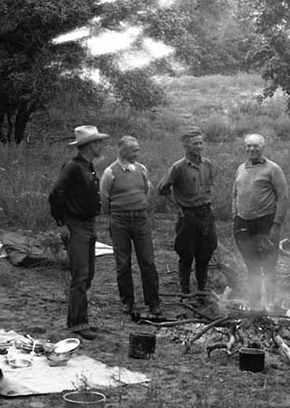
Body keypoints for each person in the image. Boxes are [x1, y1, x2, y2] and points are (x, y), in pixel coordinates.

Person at [48, 125, 109, 340]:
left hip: (88, 224)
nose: (101, 145)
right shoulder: (73, 167)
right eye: (98, 142)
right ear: (89, 145)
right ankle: (77, 324)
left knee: (87, 274)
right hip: (76, 225)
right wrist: (61, 223)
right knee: (80, 275)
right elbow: (56, 194)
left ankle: (79, 319)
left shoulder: (88, 166)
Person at [99, 136, 163, 321]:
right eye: (133, 150)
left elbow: (146, 191)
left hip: (141, 219)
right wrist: (116, 215)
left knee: (148, 261)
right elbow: (105, 198)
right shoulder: (110, 172)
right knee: (123, 263)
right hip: (120, 221)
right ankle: (127, 301)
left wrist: (139, 208)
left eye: (137, 149)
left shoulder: (141, 169)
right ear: (123, 151)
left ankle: (153, 302)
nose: (137, 153)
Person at [157, 128, 219, 296]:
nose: (199, 146)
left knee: (205, 253)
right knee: (186, 254)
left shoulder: (208, 164)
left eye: (201, 143)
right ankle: (185, 291)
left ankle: (201, 289)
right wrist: (178, 207)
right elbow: (162, 188)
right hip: (188, 216)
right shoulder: (178, 167)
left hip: (206, 214)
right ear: (186, 146)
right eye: (195, 144)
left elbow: (207, 188)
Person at [231, 133, 288, 310]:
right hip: (243, 223)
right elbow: (234, 194)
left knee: (268, 263)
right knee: (251, 264)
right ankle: (255, 301)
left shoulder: (273, 169)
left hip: (265, 222)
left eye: (255, 146)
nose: (251, 149)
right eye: (248, 146)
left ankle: (270, 303)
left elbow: (283, 196)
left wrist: (277, 224)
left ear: (263, 148)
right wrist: (235, 215)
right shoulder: (241, 168)